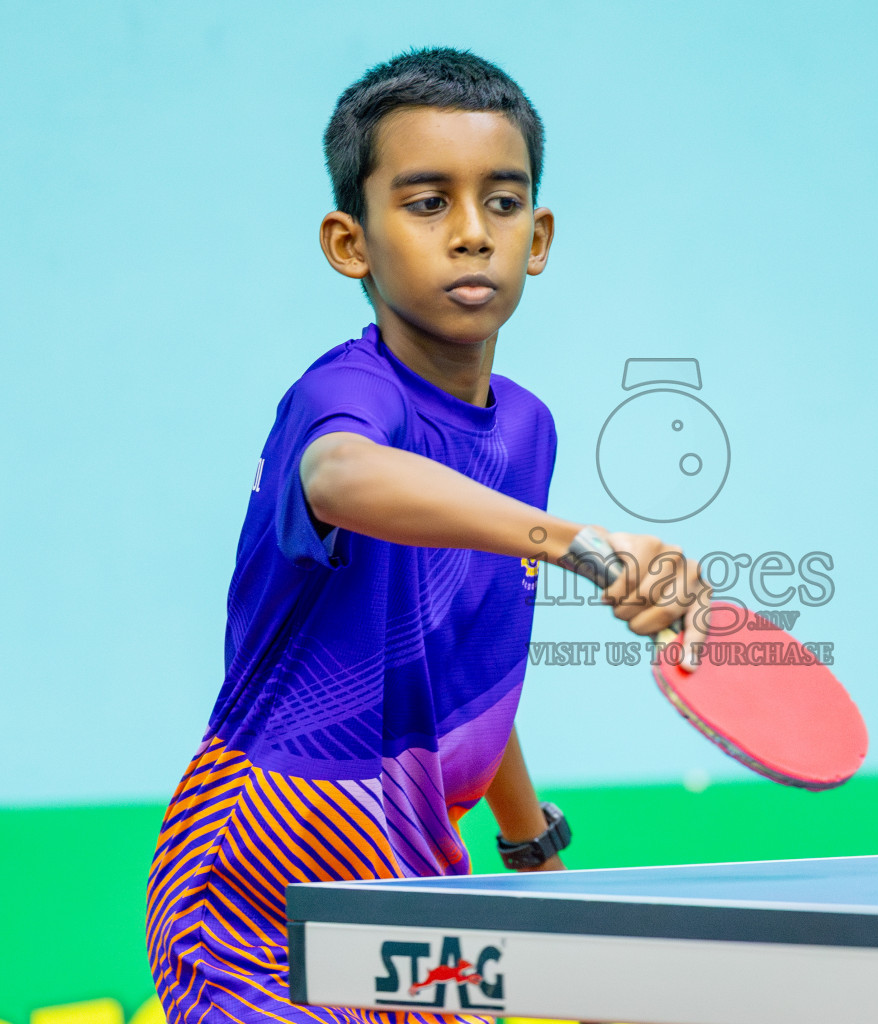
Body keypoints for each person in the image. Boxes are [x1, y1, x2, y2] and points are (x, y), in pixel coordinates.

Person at [145, 47, 708, 1024]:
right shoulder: (345, 397)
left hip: (417, 865)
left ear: (538, 237)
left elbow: (462, 654)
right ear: (348, 241)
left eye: (500, 202)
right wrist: (580, 542)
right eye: (425, 201)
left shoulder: (526, 425)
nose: (468, 234)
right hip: (261, 875)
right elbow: (342, 475)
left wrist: (530, 840)